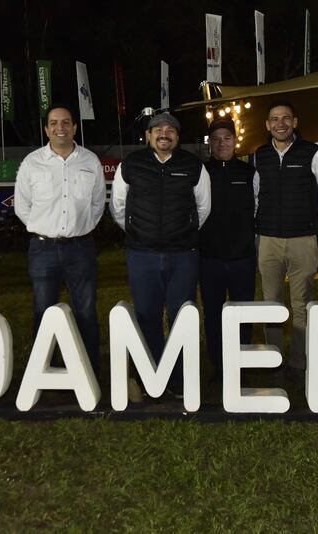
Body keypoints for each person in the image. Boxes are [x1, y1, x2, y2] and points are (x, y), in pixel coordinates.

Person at [109, 112, 211, 397]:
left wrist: (182, 233)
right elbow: (118, 208)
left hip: (183, 256)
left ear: (178, 137)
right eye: (158, 129)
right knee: (147, 316)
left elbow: (203, 209)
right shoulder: (131, 164)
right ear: (148, 135)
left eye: (171, 130)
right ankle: (152, 378)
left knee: (183, 318)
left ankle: (179, 380)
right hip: (142, 255)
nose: (164, 134)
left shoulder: (194, 166)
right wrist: (140, 233)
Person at [14, 105, 106, 374]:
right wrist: (43, 228)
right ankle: (45, 370)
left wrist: (83, 227)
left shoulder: (90, 161)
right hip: (43, 248)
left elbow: (98, 203)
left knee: (86, 312)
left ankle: (89, 368)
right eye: (54, 123)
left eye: (66, 122)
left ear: (75, 127)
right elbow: (22, 205)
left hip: (81, 248)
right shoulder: (32, 163)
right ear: (46, 129)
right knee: (43, 311)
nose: (60, 127)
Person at [254, 99, 318, 381]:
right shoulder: (258, 156)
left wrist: (306, 224)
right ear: (267, 125)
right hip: (269, 240)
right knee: (271, 304)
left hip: (302, 239)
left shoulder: (314, 153)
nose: (280, 123)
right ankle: (274, 363)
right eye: (274, 119)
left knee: (301, 304)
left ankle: (299, 363)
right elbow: (255, 197)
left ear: (295, 122)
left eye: (286, 118)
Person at [199, 118, 259, 382]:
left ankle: (243, 362)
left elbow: (257, 211)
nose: (222, 143)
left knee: (243, 314)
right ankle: (219, 365)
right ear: (209, 143)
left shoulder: (249, 174)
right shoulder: (200, 172)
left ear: (236, 141)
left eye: (227, 138)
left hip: (242, 258)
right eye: (216, 139)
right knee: (212, 314)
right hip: (209, 258)